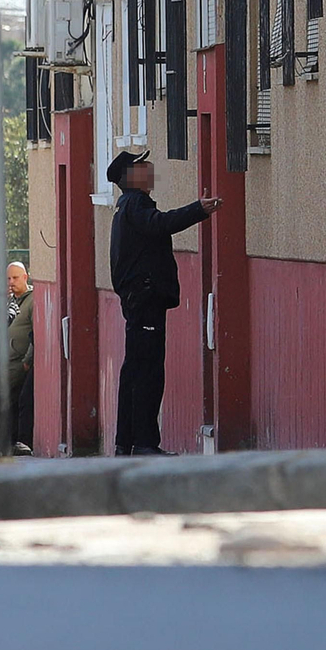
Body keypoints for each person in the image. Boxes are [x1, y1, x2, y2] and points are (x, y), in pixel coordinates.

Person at [108, 148, 222, 457]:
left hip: (138, 300)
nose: (150, 170)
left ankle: (127, 442)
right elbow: (161, 224)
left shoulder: (126, 207)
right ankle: (144, 443)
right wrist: (199, 209)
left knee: (134, 371)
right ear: (130, 177)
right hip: (145, 301)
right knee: (147, 372)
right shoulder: (136, 204)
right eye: (142, 167)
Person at [5, 262, 35, 454]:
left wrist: (27, 360)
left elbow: (35, 333)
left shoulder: (32, 301)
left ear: (25, 277)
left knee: (19, 401)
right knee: (6, 401)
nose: (11, 282)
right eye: (8, 278)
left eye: (15, 278)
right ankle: (9, 441)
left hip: (21, 362)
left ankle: (21, 442)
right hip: (7, 361)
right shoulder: (10, 301)